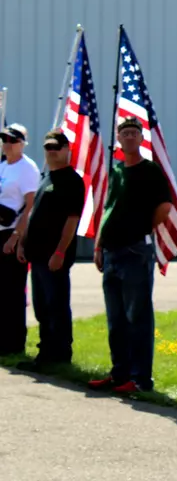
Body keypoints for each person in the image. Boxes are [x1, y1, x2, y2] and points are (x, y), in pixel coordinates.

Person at [88, 116, 173, 393]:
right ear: (119, 138)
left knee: (138, 316)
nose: (129, 137)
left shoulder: (150, 171)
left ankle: (140, 379)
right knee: (116, 320)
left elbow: (164, 208)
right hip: (111, 252)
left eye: (134, 132)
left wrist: (141, 229)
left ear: (141, 137)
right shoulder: (116, 171)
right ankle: (119, 373)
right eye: (125, 132)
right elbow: (108, 208)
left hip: (135, 250)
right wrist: (99, 244)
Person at [16, 130, 85, 371]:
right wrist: (23, 242)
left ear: (67, 149)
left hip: (54, 255)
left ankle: (60, 353)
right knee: (42, 306)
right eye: (48, 147)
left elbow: (71, 220)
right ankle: (45, 351)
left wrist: (60, 252)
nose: (51, 151)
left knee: (56, 305)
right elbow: (34, 214)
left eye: (56, 147)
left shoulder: (72, 181)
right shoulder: (46, 177)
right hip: (36, 253)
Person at [0, 124, 40, 357]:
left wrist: (17, 236)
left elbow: (30, 205)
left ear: (23, 143)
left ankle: (13, 343)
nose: (7, 144)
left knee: (13, 289)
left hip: (13, 232)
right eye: (5, 139)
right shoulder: (3, 166)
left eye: (13, 140)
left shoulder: (27, 169)